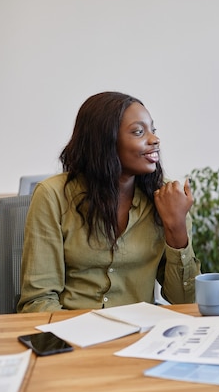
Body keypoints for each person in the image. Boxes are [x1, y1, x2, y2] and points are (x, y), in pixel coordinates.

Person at [17, 91, 200, 312]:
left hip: (139, 335)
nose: (154, 139)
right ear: (104, 141)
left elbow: (186, 301)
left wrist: (176, 228)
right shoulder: (53, 195)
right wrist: (75, 338)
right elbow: (39, 301)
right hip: (71, 334)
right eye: (138, 132)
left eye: (153, 130)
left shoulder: (168, 199)